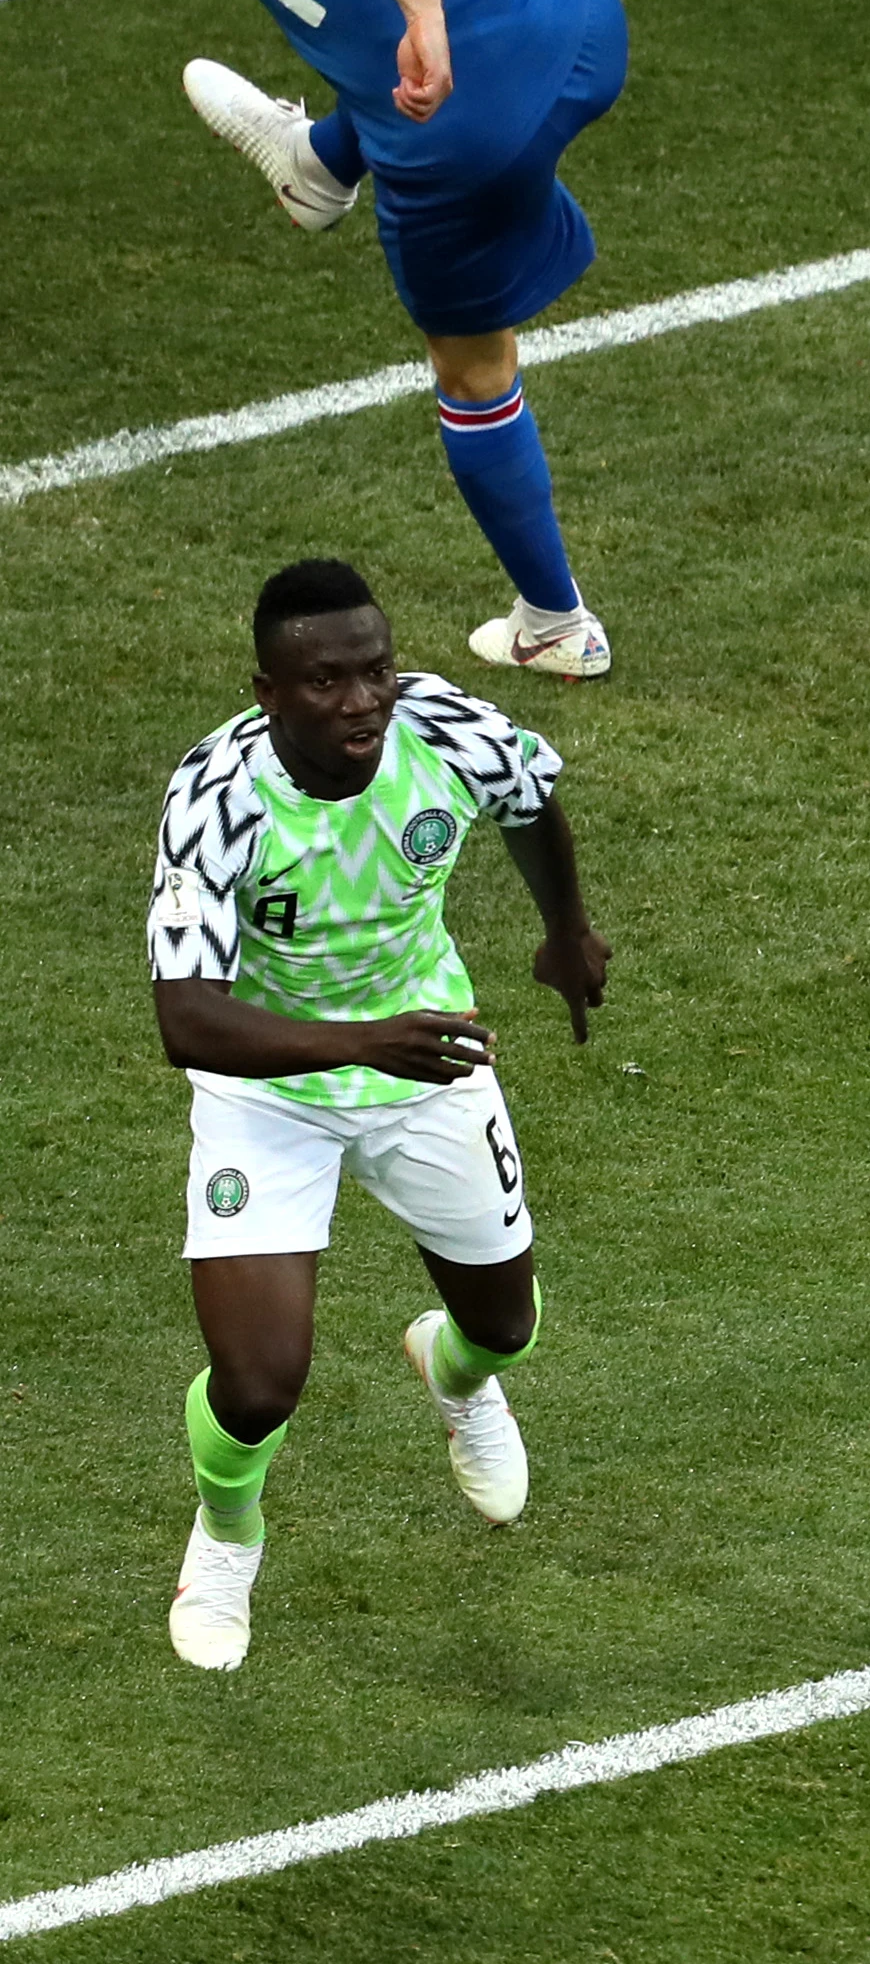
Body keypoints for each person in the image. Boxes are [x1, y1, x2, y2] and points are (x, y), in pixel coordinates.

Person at [92, 0, 710, 679]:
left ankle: (556, 625)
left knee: (473, 375)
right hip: (577, 22)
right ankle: (327, 156)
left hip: (443, 135)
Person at [151, 558, 612, 1670]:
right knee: (259, 1382)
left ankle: (454, 1375)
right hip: (271, 1092)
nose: (360, 700)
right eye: (325, 681)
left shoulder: (447, 729)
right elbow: (188, 1018)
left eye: (374, 671)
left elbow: (530, 798)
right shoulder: (215, 798)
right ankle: (226, 1531)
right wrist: (364, 1043)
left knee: (506, 1322)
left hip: (426, 1061)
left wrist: (564, 929)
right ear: (267, 691)